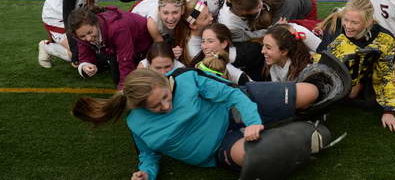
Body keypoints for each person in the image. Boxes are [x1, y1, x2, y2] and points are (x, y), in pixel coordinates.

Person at [72, 68, 322, 180]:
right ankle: (303, 131)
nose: (166, 107)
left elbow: (233, 94)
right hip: (220, 146)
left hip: (234, 108)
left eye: (166, 98)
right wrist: (146, 174)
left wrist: (253, 121)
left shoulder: (186, 79)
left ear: (166, 82)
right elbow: (148, 155)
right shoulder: (136, 123)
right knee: (257, 158)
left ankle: (289, 120)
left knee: (311, 92)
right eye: (156, 107)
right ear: (140, 107)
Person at [316, 0, 395, 132]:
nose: (348, 26)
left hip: (370, 71)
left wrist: (388, 111)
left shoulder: (385, 38)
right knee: (347, 93)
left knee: (380, 98)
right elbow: (321, 63)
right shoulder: (335, 30)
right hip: (345, 70)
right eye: (346, 20)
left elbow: (384, 74)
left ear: (369, 22)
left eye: (354, 22)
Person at [67, 7, 153, 89]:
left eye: (90, 32)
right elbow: (84, 56)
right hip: (115, 48)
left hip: (146, 45)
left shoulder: (117, 29)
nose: (88, 38)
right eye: (82, 36)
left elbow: (126, 61)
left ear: (96, 23)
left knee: (136, 81)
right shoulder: (81, 34)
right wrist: (85, 65)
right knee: (117, 78)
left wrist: (123, 90)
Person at [194, 23, 264, 83]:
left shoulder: (248, 53)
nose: (204, 47)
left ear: (224, 44)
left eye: (210, 41)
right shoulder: (198, 60)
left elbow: (253, 86)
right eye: (203, 41)